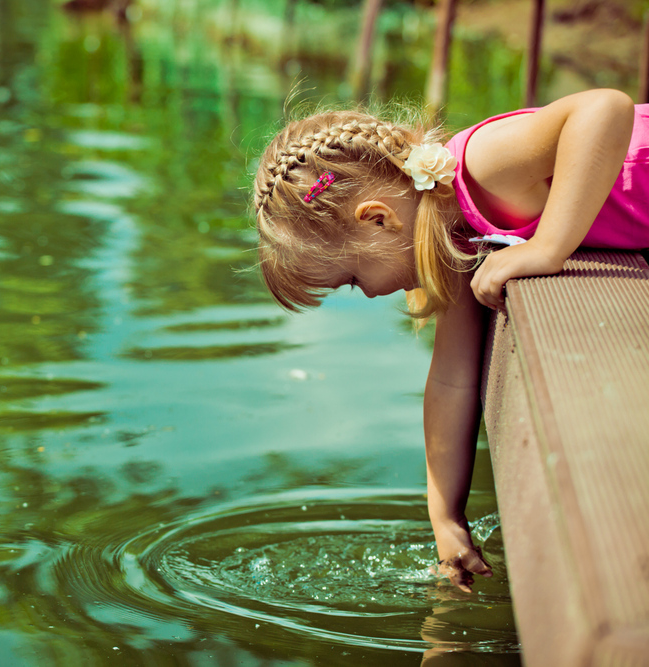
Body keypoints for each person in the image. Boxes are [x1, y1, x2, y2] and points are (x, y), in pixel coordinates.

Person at [253, 88, 646, 593]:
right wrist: (446, 520)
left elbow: (603, 109)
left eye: (351, 279)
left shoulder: (481, 167)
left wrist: (549, 247)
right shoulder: (456, 238)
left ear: (378, 219)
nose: (367, 294)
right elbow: (451, 381)